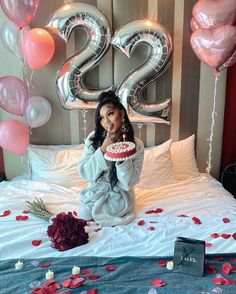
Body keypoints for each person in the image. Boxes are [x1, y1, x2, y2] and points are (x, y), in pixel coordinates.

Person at [77, 90, 144, 227]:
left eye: (110, 114)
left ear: (122, 114)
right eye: (101, 118)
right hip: (94, 192)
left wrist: (121, 154)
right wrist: (103, 149)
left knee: (113, 209)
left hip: (119, 197)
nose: (106, 121)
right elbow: (86, 173)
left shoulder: (136, 145)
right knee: (84, 213)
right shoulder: (93, 139)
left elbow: (127, 183)